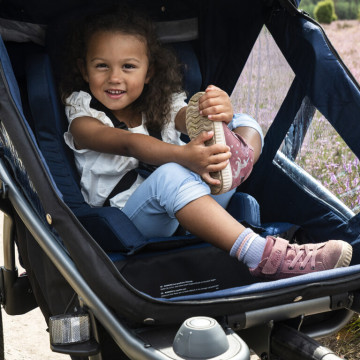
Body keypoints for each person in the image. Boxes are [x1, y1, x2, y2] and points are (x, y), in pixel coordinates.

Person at [61, 8, 352, 280]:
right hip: (127, 220)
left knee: (244, 122)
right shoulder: (83, 113)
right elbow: (128, 144)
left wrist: (215, 112)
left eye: (128, 67)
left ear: (148, 72)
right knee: (171, 175)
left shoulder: (161, 104)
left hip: (189, 207)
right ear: (84, 70)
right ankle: (263, 256)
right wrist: (183, 156)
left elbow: (188, 118)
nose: (115, 78)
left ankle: (240, 159)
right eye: (101, 66)